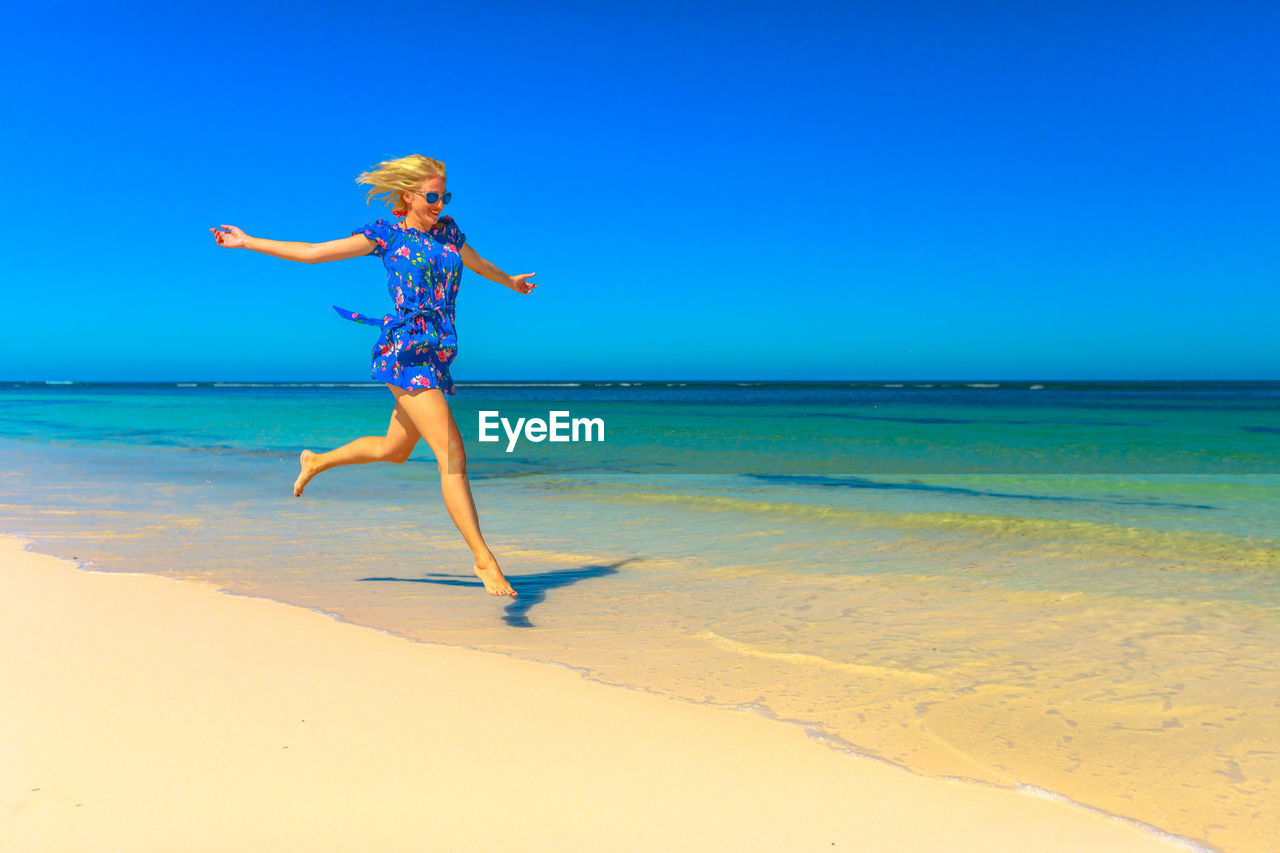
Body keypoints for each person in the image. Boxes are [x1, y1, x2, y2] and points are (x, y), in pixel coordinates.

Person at [211, 154, 534, 597]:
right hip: (406, 354)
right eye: (433, 195)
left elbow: (476, 262)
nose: (440, 203)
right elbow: (313, 253)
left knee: (394, 450)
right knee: (452, 456)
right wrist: (248, 241)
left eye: (445, 195)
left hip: (436, 354)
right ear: (408, 195)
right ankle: (484, 559)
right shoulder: (387, 235)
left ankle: (317, 461)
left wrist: (510, 282)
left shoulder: (449, 233)